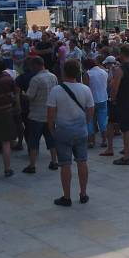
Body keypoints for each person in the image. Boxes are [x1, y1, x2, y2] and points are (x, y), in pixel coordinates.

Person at [46, 59, 94, 206]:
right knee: (82, 161)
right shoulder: (85, 89)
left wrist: (52, 130)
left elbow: (50, 115)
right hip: (80, 130)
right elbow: (91, 111)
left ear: (63, 72)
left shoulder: (56, 90)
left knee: (65, 164)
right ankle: (83, 193)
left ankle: (66, 196)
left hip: (63, 131)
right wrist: (84, 123)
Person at [23, 56, 59, 174]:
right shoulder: (53, 76)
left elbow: (30, 96)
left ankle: (32, 165)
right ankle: (54, 161)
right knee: (51, 138)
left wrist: (23, 94)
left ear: (36, 65)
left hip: (36, 114)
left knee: (33, 140)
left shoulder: (36, 79)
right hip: (50, 114)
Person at [84, 58, 109, 148]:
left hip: (91, 100)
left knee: (90, 120)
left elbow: (86, 88)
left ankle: (91, 141)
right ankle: (104, 140)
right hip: (103, 98)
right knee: (102, 120)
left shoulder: (88, 74)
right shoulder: (104, 72)